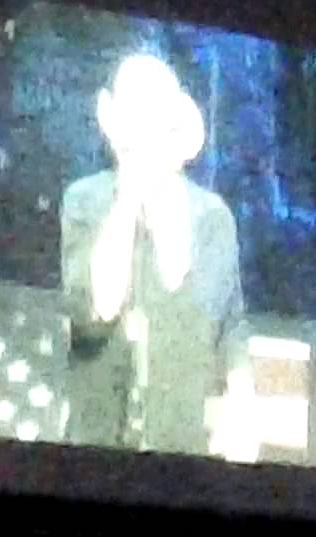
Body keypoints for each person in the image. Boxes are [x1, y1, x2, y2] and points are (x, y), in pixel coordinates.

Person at [60, 54, 260, 461]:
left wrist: (242, 402)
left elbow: (230, 322)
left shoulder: (213, 217)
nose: (145, 126)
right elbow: (96, 311)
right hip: (96, 452)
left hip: (181, 455)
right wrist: (130, 195)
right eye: (134, 108)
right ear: (109, 115)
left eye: (157, 111)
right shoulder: (85, 200)